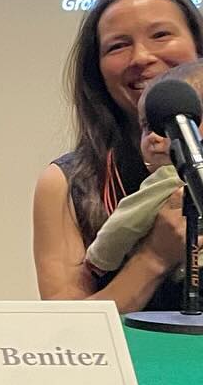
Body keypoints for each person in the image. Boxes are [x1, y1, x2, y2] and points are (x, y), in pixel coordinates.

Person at [33, 0, 203, 310]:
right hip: (135, 361)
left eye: (161, 35)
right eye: (118, 46)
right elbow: (67, 328)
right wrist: (154, 256)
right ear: (97, 71)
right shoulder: (68, 184)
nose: (141, 57)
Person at [85, 60, 203, 282]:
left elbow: (125, 223)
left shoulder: (170, 177)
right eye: (147, 127)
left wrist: (99, 259)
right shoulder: (168, 177)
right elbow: (128, 220)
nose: (153, 138)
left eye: (169, 126)